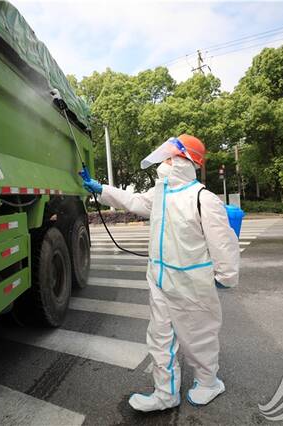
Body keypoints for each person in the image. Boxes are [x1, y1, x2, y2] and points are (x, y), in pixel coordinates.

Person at [81, 134, 240, 412]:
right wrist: (101, 189)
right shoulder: (160, 194)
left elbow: (223, 244)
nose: (164, 161)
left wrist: (225, 277)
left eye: (170, 155)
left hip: (192, 283)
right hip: (159, 279)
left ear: (184, 159)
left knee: (198, 337)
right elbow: (133, 201)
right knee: (160, 338)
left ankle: (208, 382)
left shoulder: (203, 198)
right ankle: (165, 393)